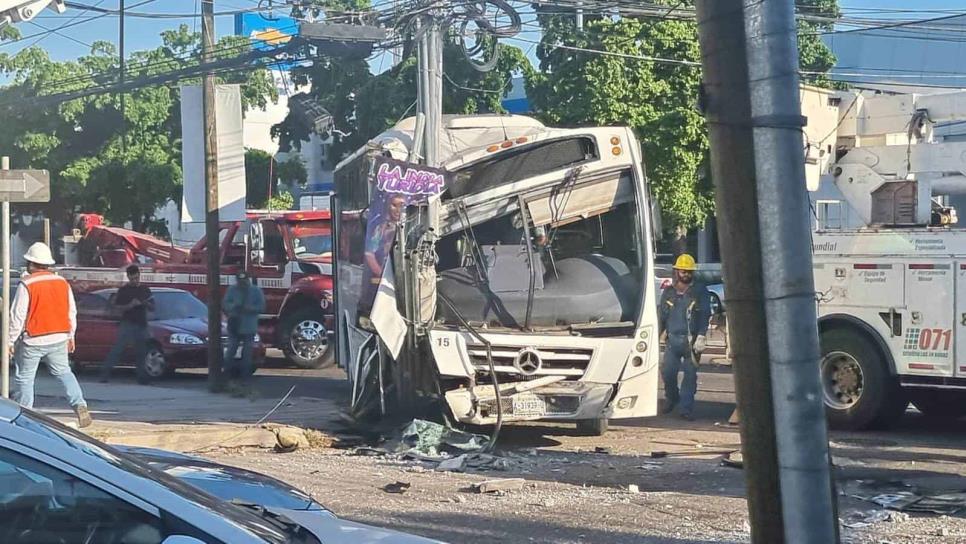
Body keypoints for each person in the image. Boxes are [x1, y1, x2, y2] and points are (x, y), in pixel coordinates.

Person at [8, 242, 91, 428]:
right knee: (64, 373)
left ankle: (23, 417)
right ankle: (80, 405)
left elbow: (17, 315)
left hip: (34, 338)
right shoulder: (62, 282)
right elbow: (72, 311)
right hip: (59, 337)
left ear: (31, 263)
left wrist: (10, 341)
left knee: (25, 378)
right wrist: (71, 336)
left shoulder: (27, 284)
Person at [658, 253, 711, 421]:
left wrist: (702, 335)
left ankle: (685, 409)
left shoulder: (699, 291)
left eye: (689, 271)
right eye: (683, 271)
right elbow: (661, 316)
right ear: (677, 271)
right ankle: (672, 398)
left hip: (692, 341)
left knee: (689, 376)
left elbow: (705, 313)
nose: (686, 274)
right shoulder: (668, 292)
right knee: (667, 372)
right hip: (673, 341)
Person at [101, 264, 154, 383]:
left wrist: (145, 303)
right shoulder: (124, 290)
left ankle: (142, 377)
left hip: (141, 324)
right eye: (132, 278)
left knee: (142, 352)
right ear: (128, 277)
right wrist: (130, 305)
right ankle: (105, 374)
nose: (135, 281)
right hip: (127, 323)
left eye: (137, 278)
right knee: (118, 350)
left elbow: (153, 307)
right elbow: (116, 307)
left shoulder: (145, 290)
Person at [223, 270, 265, 384]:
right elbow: (225, 304)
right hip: (234, 324)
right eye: (240, 280)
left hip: (248, 326)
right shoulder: (232, 290)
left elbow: (262, 307)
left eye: (244, 280)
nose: (242, 283)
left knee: (247, 353)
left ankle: (245, 376)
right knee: (231, 350)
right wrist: (234, 306)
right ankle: (227, 373)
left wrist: (250, 308)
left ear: (248, 279)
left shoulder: (256, 291)